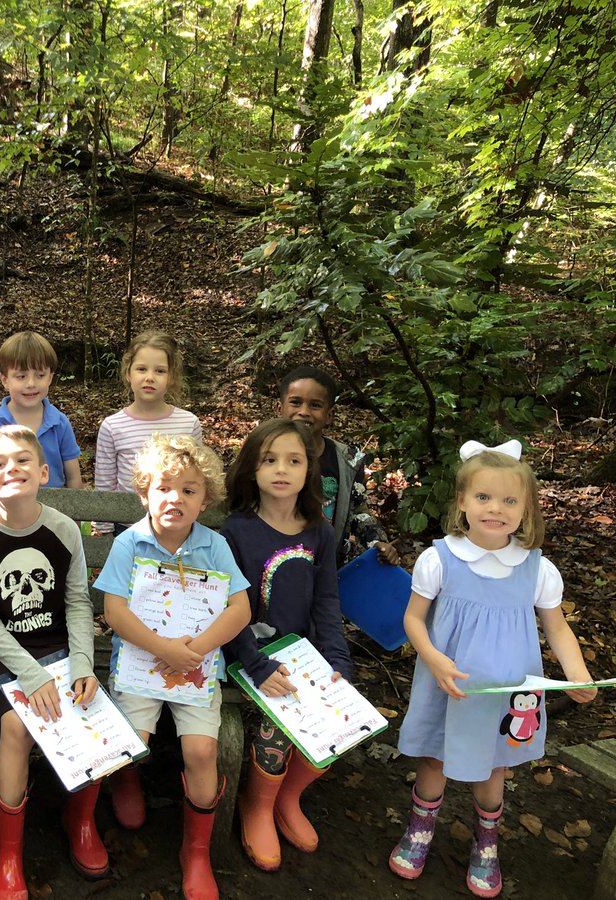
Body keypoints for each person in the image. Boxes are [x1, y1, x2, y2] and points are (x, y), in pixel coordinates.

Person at [389, 439, 596, 898]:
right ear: (462, 501)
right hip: (450, 683)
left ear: (527, 509)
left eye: (509, 500)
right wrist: (436, 658)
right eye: (483, 497)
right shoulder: (439, 559)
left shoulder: (537, 569)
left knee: (493, 767)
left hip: (505, 692)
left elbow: (558, 629)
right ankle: (419, 832)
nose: (495, 509)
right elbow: (412, 618)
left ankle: (486, 843)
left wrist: (577, 673)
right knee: (435, 757)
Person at [95, 435, 250, 900]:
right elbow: (115, 612)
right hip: (141, 663)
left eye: (188, 490)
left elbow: (239, 609)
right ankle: (126, 783)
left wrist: (195, 649)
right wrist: (163, 647)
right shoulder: (130, 543)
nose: (175, 499)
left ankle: (196, 851)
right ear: (145, 493)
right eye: (164, 487)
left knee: (203, 751)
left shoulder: (216, 547)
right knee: (132, 744)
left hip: (196, 666)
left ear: (205, 501)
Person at [0, 425, 106, 898]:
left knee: (90, 714)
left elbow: (79, 602)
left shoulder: (64, 530)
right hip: (4, 656)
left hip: (63, 648)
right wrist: (31, 673)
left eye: (23, 460)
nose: (12, 469)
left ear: (45, 472)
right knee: (18, 728)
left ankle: (81, 820)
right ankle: (8, 851)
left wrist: (82, 664)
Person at [220, 418, 351, 872]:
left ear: (308, 470)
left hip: (304, 655)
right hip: (246, 657)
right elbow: (227, 611)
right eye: (269, 460)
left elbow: (327, 601)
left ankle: (287, 797)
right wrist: (256, 665)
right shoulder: (235, 533)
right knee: (278, 725)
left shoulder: (320, 533)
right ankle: (256, 805)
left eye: (293, 460)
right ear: (251, 470)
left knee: (343, 720)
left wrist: (337, 662)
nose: (281, 469)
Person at [277, 365, 399, 566]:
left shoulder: (347, 460)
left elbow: (358, 509)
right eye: (296, 403)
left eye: (315, 405)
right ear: (280, 408)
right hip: (270, 562)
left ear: (329, 415)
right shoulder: (262, 454)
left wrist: (377, 541)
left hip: (328, 568)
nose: (304, 412)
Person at [93, 330, 202, 533]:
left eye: (160, 371)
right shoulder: (113, 426)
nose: (149, 377)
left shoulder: (188, 423)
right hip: (126, 527)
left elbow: (197, 480)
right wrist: (104, 530)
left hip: (177, 525)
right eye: (141, 369)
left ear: (171, 377)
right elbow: (105, 485)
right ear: (128, 374)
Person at [0, 332, 83, 489]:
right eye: (21, 376)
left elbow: (74, 478)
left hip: (55, 508)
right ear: (5, 380)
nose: (31, 383)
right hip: (8, 506)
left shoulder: (59, 423)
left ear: (50, 378)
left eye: (40, 375)